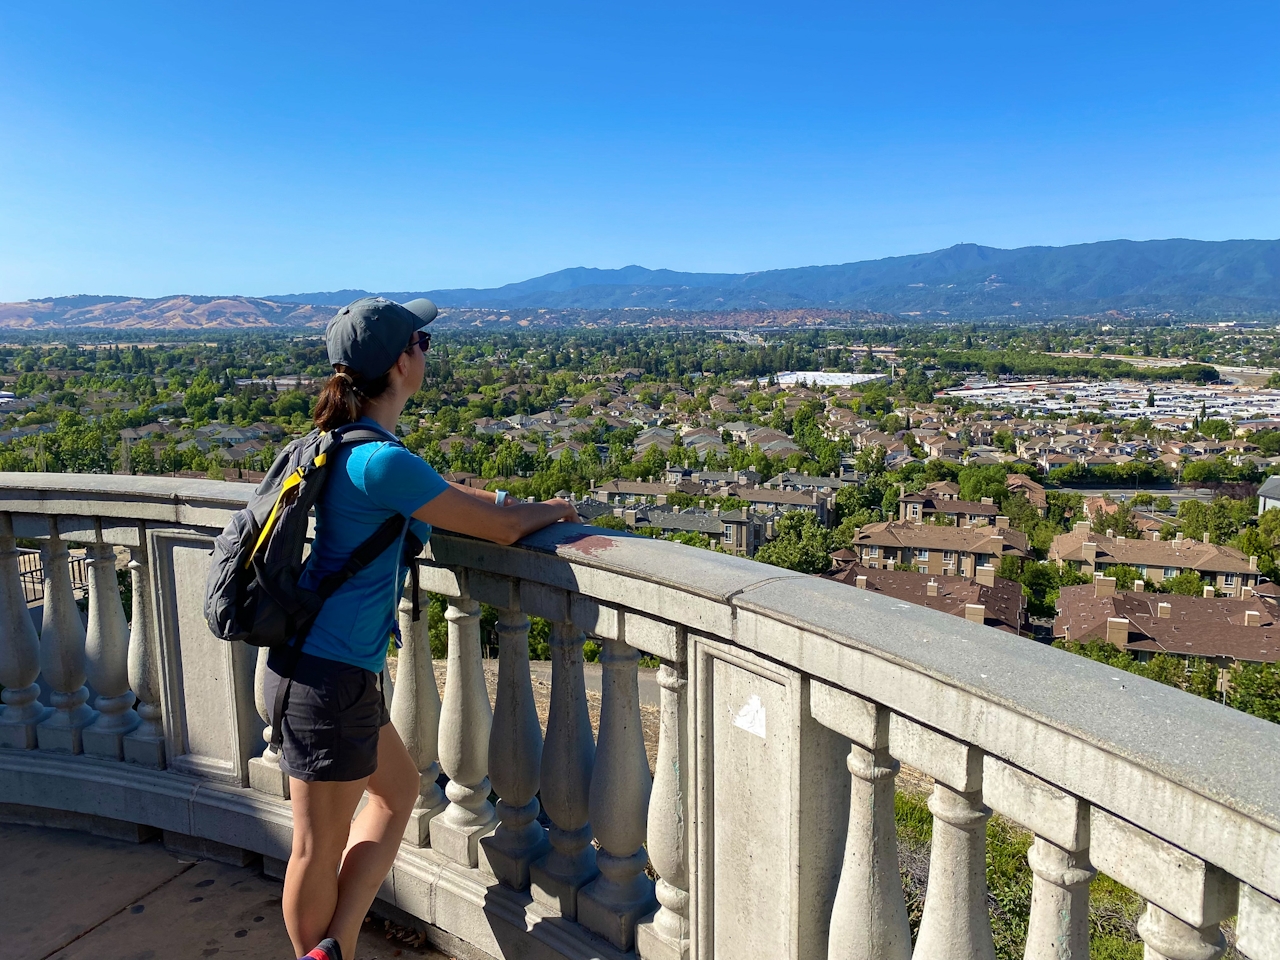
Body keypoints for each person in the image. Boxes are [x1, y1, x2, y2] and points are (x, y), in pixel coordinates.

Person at [265, 296, 579, 960]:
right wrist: (555, 506)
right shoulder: (379, 460)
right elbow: (496, 528)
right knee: (316, 846)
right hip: (328, 676)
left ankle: (335, 946)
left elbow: (443, 503)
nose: (426, 353)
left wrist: (488, 499)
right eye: (423, 342)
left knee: (398, 789)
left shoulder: (347, 445)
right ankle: (321, 956)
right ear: (402, 363)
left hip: (317, 667)